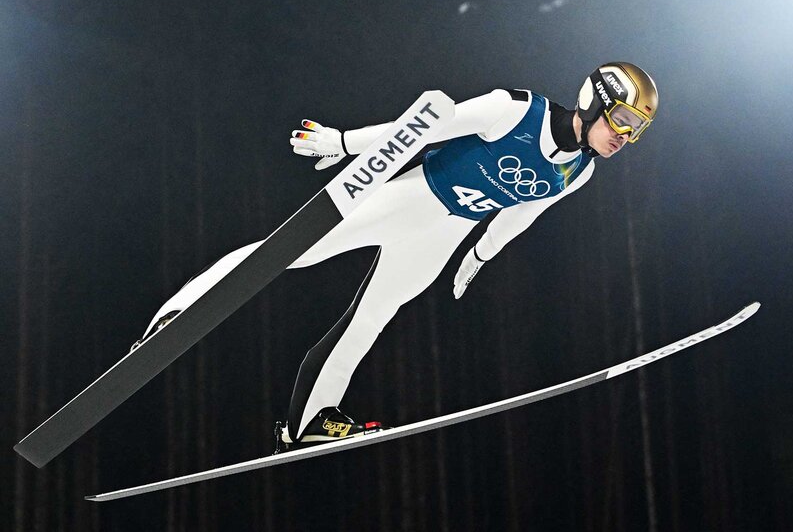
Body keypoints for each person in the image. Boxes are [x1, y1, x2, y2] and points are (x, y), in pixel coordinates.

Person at [137, 62, 659, 447]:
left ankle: (308, 423)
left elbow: (525, 212)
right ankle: (178, 312)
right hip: (408, 196)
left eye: (636, 130)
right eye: (623, 120)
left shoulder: (578, 171)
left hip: (442, 235)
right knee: (290, 253)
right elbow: (425, 126)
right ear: (595, 102)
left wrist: (479, 256)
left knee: (370, 320)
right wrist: (344, 143)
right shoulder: (516, 109)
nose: (625, 137)